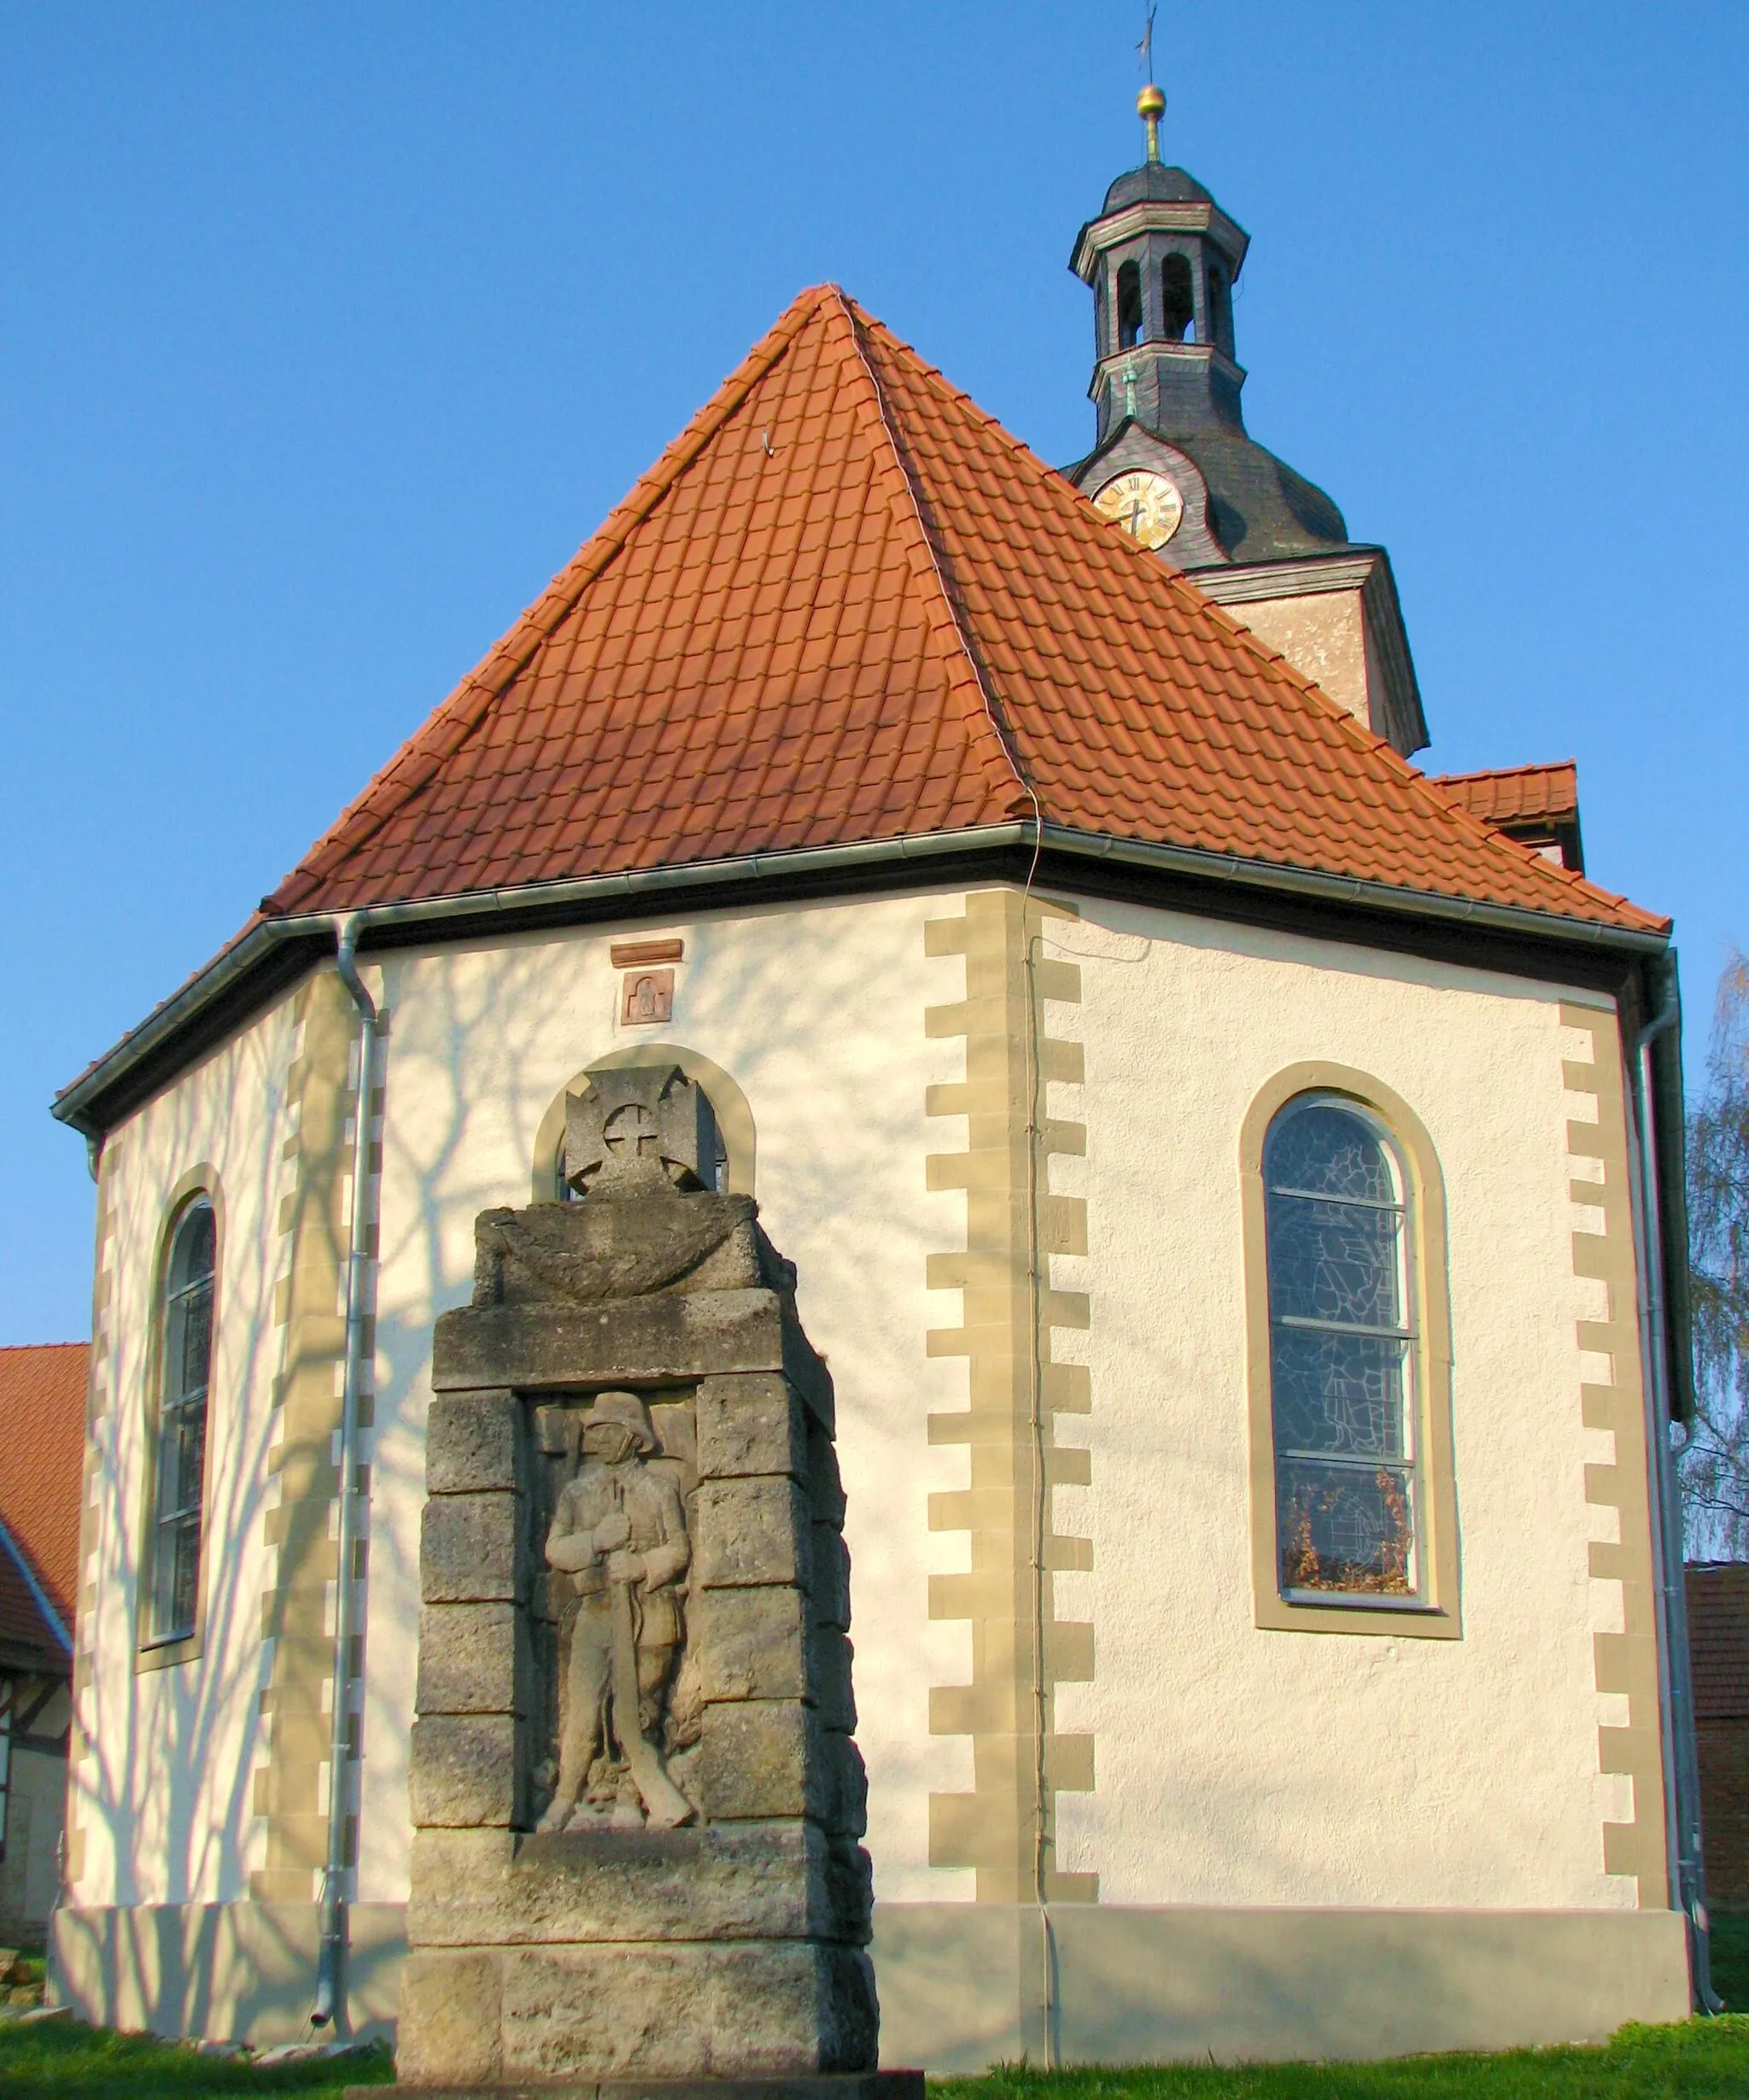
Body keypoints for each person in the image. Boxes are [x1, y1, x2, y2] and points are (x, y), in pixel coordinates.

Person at [537, 1390, 693, 1832]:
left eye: (608, 1430)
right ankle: (566, 1797)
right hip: (598, 1612)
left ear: (631, 1436)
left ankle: (632, 1796)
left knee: (640, 1709)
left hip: (651, 1615)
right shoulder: (577, 1492)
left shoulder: (658, 1490)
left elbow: (679, 1549)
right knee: (582, 1710)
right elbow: (555, 1550)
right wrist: (597, 1542)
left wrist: (642, 1565)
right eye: (595, 1430)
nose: (599, 1439)